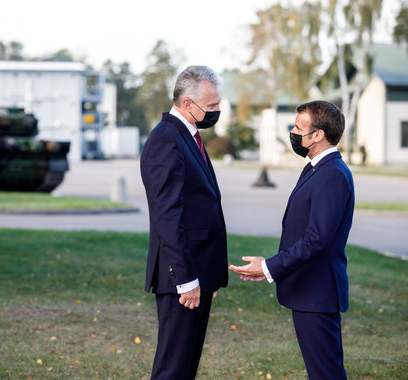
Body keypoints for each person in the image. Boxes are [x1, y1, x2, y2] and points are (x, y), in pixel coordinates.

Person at [230, 100, 354, 380]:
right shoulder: (316, 168)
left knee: (326, 373)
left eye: (299, 127)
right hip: (308, 291)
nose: (293, 132)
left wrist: (268, 268)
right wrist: (269, 263)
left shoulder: (332, 174)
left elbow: (317, 240)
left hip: (317, 292)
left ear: (318, 134)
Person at [140, 65, 228, 379]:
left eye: (219, 103)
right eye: (212, 106)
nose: (217, 111)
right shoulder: (167, 140)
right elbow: (168, 215)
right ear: (187, 104)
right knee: (173, 368)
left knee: (186, 366)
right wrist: (187, 279)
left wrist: (208, 274)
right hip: (182, 276)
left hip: (199, 271)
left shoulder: (188, 136)